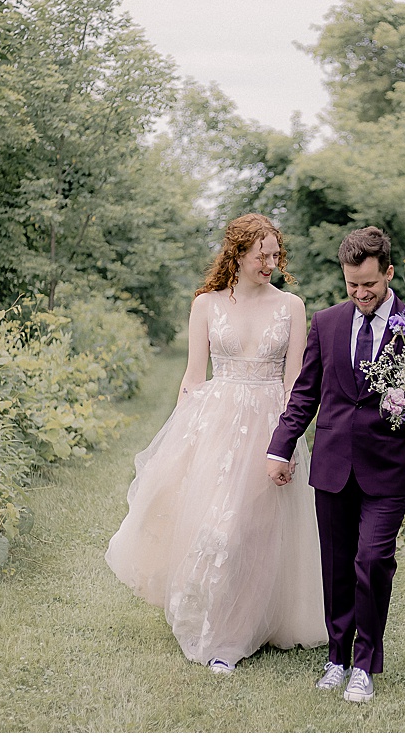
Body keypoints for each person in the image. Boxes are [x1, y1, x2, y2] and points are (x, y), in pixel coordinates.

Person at [107, 213, 327, 673]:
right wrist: (181, 441)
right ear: (238, 253)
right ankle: (217, 630)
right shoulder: (206, 305)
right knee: (218, 527)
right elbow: (192, 377)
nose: (270, 263)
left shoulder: (291, 306)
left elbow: (295, 384)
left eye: (274, 255)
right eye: (261, 255)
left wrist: (287, 442)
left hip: (271, 424)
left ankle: (247, 627)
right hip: (218, 425)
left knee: (258, 529)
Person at [266, 226, 405, 705]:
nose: (362, 294)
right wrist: (280, 446)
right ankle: (337, 657)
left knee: (373, 561)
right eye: (352, 285)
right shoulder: (326, 322)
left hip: (386, 469)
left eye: (369, 284)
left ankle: (365, 663)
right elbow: (305, 393)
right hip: (332, 465)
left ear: (388, 272)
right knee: (337, 566)